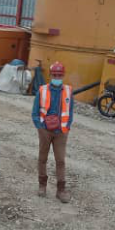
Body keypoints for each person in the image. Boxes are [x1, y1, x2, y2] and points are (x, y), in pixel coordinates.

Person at [33, 61, 73, 203]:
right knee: (42, 158)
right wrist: (40, 127)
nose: (57, 77)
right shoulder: (42, 90)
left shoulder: (68, 91)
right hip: (45, 131)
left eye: (59, 75)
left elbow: (70, 111)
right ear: (50, 75)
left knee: (60, 160)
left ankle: (61, 190)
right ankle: (42, 186)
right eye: (54, 75)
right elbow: (35, 112)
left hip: (61, 132)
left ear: (63, 75)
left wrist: (66, 127)